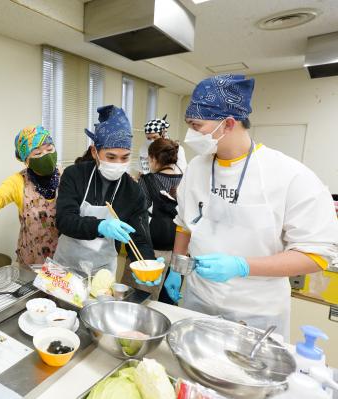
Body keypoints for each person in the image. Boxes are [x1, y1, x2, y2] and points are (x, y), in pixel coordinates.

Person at [171, 74, 338, 340]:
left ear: (227, 124)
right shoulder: (196, 169)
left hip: (256, 314)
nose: (190, 135)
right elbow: (185, 223)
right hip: (198, 301)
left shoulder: (289, 175)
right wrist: (176, 266)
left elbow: (316, 255)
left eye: (196, 125)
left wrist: (242, 266)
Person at [54, 105, 155, 275]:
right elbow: (64, 220)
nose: (118, 163)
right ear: (95, 152)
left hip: (102, 271)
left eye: (125, 157)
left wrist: (147, 264)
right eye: (111, 157)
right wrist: (99, 226)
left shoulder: (133, 191)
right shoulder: (75, 175)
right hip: (65, 267)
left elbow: (139, 239)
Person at [0, 125, 59, 265]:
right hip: (31, 260)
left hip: (62, 259)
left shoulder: (67, 176)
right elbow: (0, 196)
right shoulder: (18, 181)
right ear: (26, 160)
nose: (46, 156)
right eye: (37, 153)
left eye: (49, 149)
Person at [132, 138, 184, 302]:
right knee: (168, 300)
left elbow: (139, 213)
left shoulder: (147, 180)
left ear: (153, 158)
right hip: (180, 250)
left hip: (153, 249)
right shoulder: (187, 180)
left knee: (143, 299)